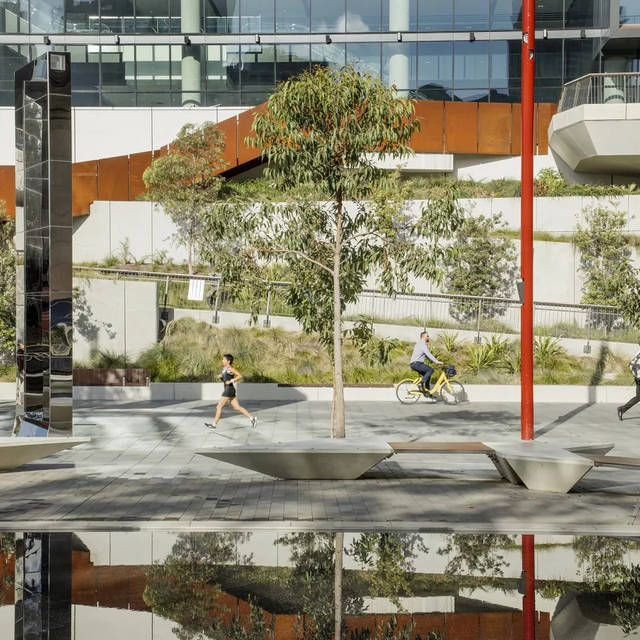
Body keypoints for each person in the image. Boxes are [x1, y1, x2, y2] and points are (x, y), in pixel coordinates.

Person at [205, 354, 257, 429]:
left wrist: (231, 381)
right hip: (230, 389)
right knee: (236, 407)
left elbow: (240, 375)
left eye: (224, 359)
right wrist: (221, 377)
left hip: (228, 390)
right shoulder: (224, 368)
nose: (222, 361)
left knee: (219, 407)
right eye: (222, 359)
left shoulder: (230, 369)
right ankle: (252, 419)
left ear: (228, 361)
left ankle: (214, 425)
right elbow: (225, 379)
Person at [617, 344, 640, 421]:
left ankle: (622, 409)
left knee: (638, 397)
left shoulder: (638, 353)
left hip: (637, 379)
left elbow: (631, 365)